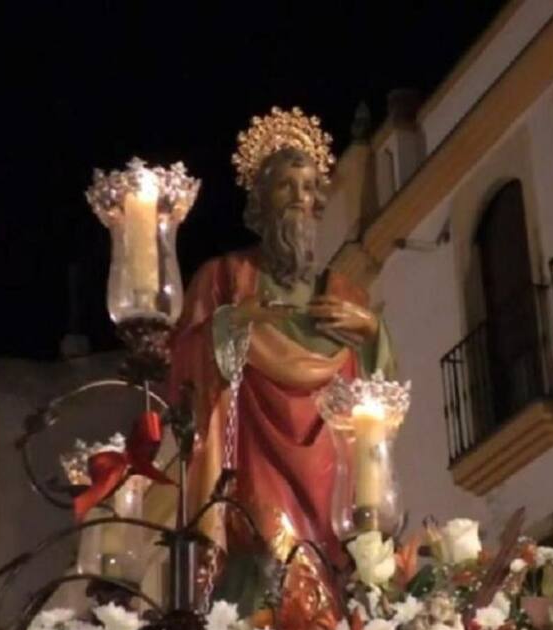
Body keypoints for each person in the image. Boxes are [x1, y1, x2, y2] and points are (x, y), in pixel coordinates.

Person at [167, 107, 396, 603]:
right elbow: (181, 367)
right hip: (253, 460)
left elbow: (383, 403)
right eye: (285, 186)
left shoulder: (345, 294)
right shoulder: (223, 278)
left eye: (311, 187)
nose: (300, 197)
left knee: (332, 584)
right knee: (269, 576)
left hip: (333, 470)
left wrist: (374, 332)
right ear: (260, 201)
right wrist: (234, 322)